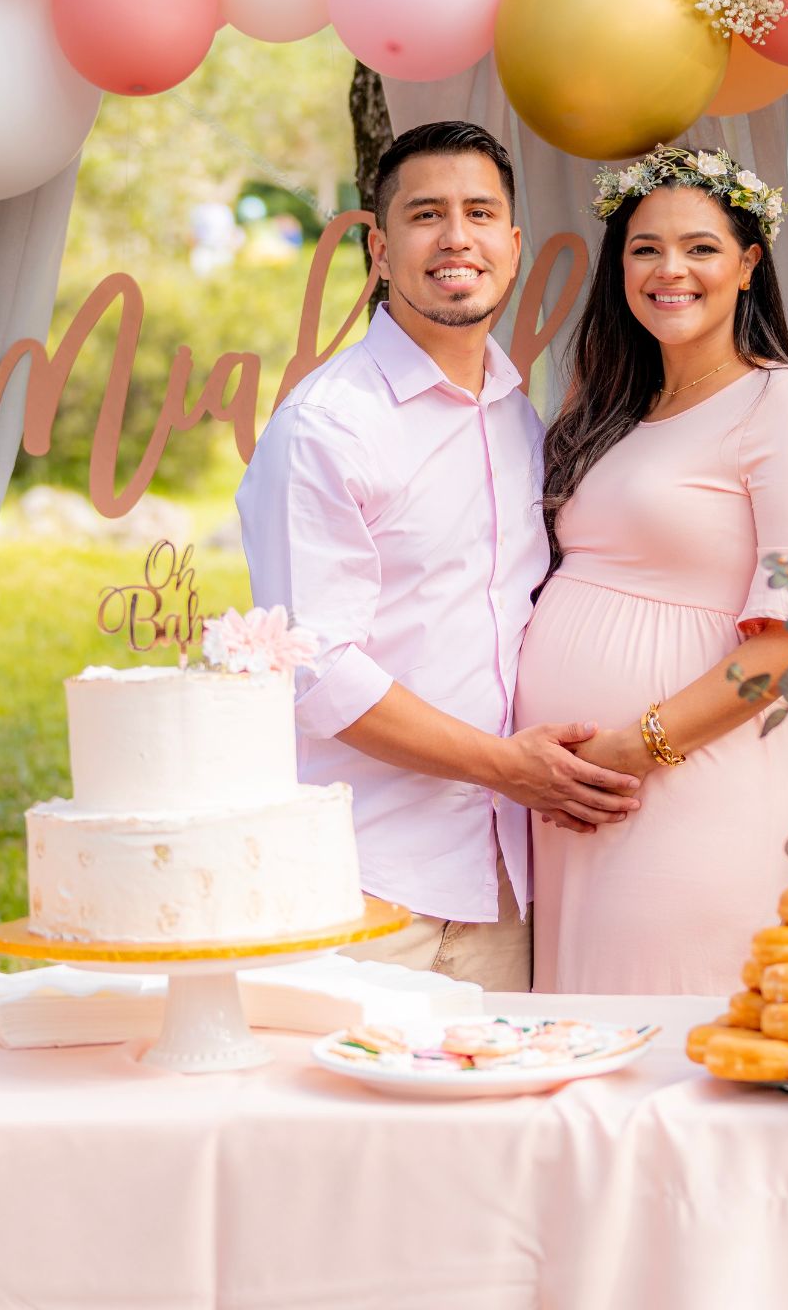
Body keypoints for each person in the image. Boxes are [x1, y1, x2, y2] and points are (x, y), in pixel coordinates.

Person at [237, 120, 639, 993]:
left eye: (480, 213)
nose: (456, 237)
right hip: (370, 883)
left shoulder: (515, 412)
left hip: (509, 881)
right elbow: (320, 675)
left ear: (513, 243)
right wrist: (507, 767)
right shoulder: (328, 428)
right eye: (426, 215)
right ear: (381, 249)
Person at [517, 147, 788, 996]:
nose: (671, 269)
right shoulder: (610, 409)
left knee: (670, 1051)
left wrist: (633, 749)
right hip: (578, 799)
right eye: (645, 248)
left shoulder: (784, 404)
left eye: (701, 248)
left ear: (748, 265)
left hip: (687, 788)